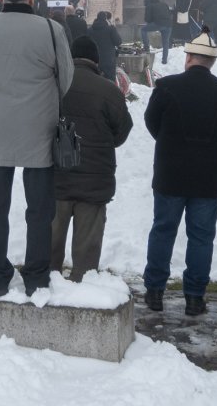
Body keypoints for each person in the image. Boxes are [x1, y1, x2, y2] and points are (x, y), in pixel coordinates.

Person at [0, 0, 73, 296]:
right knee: (39, 210)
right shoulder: (51, 30)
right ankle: (37, 275)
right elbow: (66, 80)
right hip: (38, 130)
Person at [142, 27, 217, 316]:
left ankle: (155, 291)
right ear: (212, 62)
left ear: (188, 58)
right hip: (207, 175)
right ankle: (195, 296)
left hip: (171, 171)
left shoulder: (167, 87)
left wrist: (171, 141)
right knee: (201, 237)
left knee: (163, 230)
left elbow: (152, 123)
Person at [50, 35, 133, 281]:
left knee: (46, 251)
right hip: (94, 183)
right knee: (86, 261)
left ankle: (43, 296)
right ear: (96, 61)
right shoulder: (109, 90)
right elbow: (121, 133)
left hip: (56, 178)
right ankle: (82, 299)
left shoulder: (54, 86)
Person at [89, 11, 122, 80]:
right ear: (106, 19)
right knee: (110, 82)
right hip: (108, 60)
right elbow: (118, 42)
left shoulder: (90, 30)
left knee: (95, 80)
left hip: (94, 60)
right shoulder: (110, 29)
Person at [141, 0, 174, 64]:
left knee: (143, 30)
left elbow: (147, 19)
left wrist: (152, 22)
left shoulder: (149, 6)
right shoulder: (164, 4)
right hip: (169, 25)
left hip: (159, 24)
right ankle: (164, 60)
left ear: (147, 2)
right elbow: (170, 13)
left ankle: (146, 47)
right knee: (165, 42)